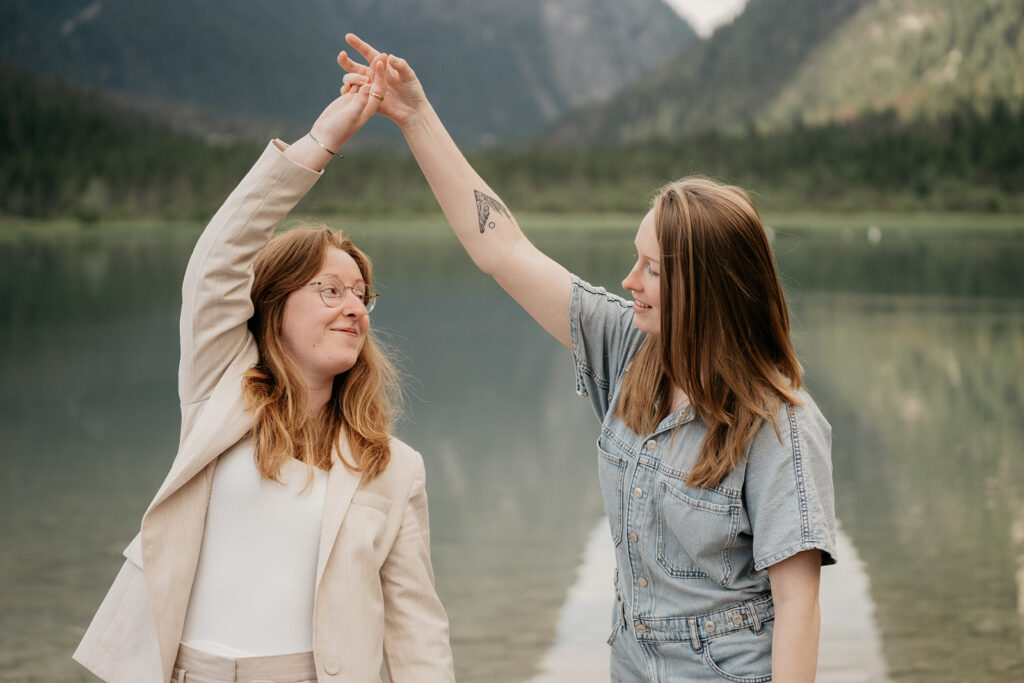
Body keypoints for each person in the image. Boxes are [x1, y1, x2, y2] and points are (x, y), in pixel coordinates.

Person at [339, 34, 837, 682]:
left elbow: (798, 606)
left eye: (652, 269)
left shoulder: (781, 424)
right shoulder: (632, 351)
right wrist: (415, 114)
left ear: (706, 285)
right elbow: (504, 249)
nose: (629, 280)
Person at [73, 55, 455, 683]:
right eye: (330, 290)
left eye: (362, 294)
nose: (353, 307)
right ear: (272, 307)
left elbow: (417, 628)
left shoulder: (395, 467)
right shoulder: (218, 392)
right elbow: (218, 260)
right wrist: (323, 141)